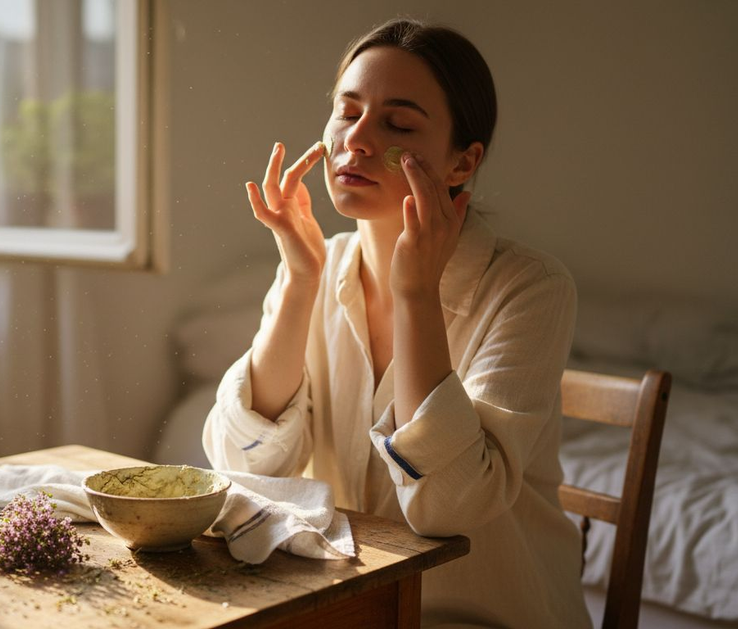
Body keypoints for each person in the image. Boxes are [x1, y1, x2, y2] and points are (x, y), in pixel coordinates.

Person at [202, 18, 593, 628]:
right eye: (346, 111)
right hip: (342, 604)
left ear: (463, 163)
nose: (356, 140)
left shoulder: (530, 288)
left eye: (398, 124)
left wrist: (415, 295)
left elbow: (448, 507)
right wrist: (301, 283)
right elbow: (245, 465)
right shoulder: (318, 264)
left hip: (479, 615)